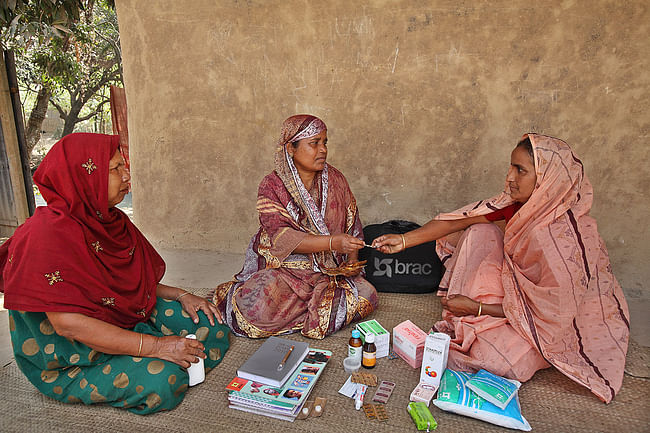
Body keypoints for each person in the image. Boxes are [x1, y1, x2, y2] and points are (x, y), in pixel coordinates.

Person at [373, 134, 629, 403]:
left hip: (549, 322)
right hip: (513, 294)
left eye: (521, 170)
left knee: (501, 362)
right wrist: (403, 241)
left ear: (547, 181)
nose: (509, 178)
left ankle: (469, 319)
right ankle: (465, 321)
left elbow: (551, 317)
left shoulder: (563, 242)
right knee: (479, 232)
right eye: (511, 167)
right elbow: (454, 223)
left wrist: (476, 308)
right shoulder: (517, 206)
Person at [0, 133, 230, 414]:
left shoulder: (108, 220)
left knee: (212, 323)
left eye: (124, 166)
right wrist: (156, 347)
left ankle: (156, 350)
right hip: (72, 355)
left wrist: (181, 294)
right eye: (115, 169)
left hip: (119, 320)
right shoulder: (44, 235)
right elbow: (67, 325)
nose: (126, 176)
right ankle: (152, 356)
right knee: (163, 381)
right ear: (83, 176)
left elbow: (124, 284)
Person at [214, 114, 378, 339]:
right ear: (291, 148)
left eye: (325, 142)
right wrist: (333, 242)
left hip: (330, 271)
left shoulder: (337, 180)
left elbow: (352, 224)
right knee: (254, 309)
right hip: (284, 268)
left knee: (367, 294)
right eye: (314, 143)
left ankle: (312, 308)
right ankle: (317, 311)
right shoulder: (272, 185)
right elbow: (283, 239)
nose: (322, 150)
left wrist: (351, 263)